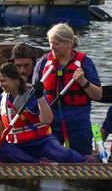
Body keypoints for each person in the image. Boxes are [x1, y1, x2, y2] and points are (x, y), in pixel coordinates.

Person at [0, 63, 91, 163]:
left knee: (61, 154)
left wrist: (40, 97)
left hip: (41, 142)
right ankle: (37, 163)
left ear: (15, 79)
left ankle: (86, 161)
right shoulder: (1, 99)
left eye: (3, 81)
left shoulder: (32, 93)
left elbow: (48, 120)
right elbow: (1, 129)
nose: (0, 85)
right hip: (18, 146)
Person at [33, 23, 102, 155]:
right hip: (52, 120)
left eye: (57, 43)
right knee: (50, 157)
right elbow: (34, 93)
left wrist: (83, 81)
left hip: (77, 121)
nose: (52, 47)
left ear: (69, 43)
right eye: (50, 43)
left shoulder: (85, 63)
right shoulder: (43, 63)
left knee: (81, 157)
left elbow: (98, 95)